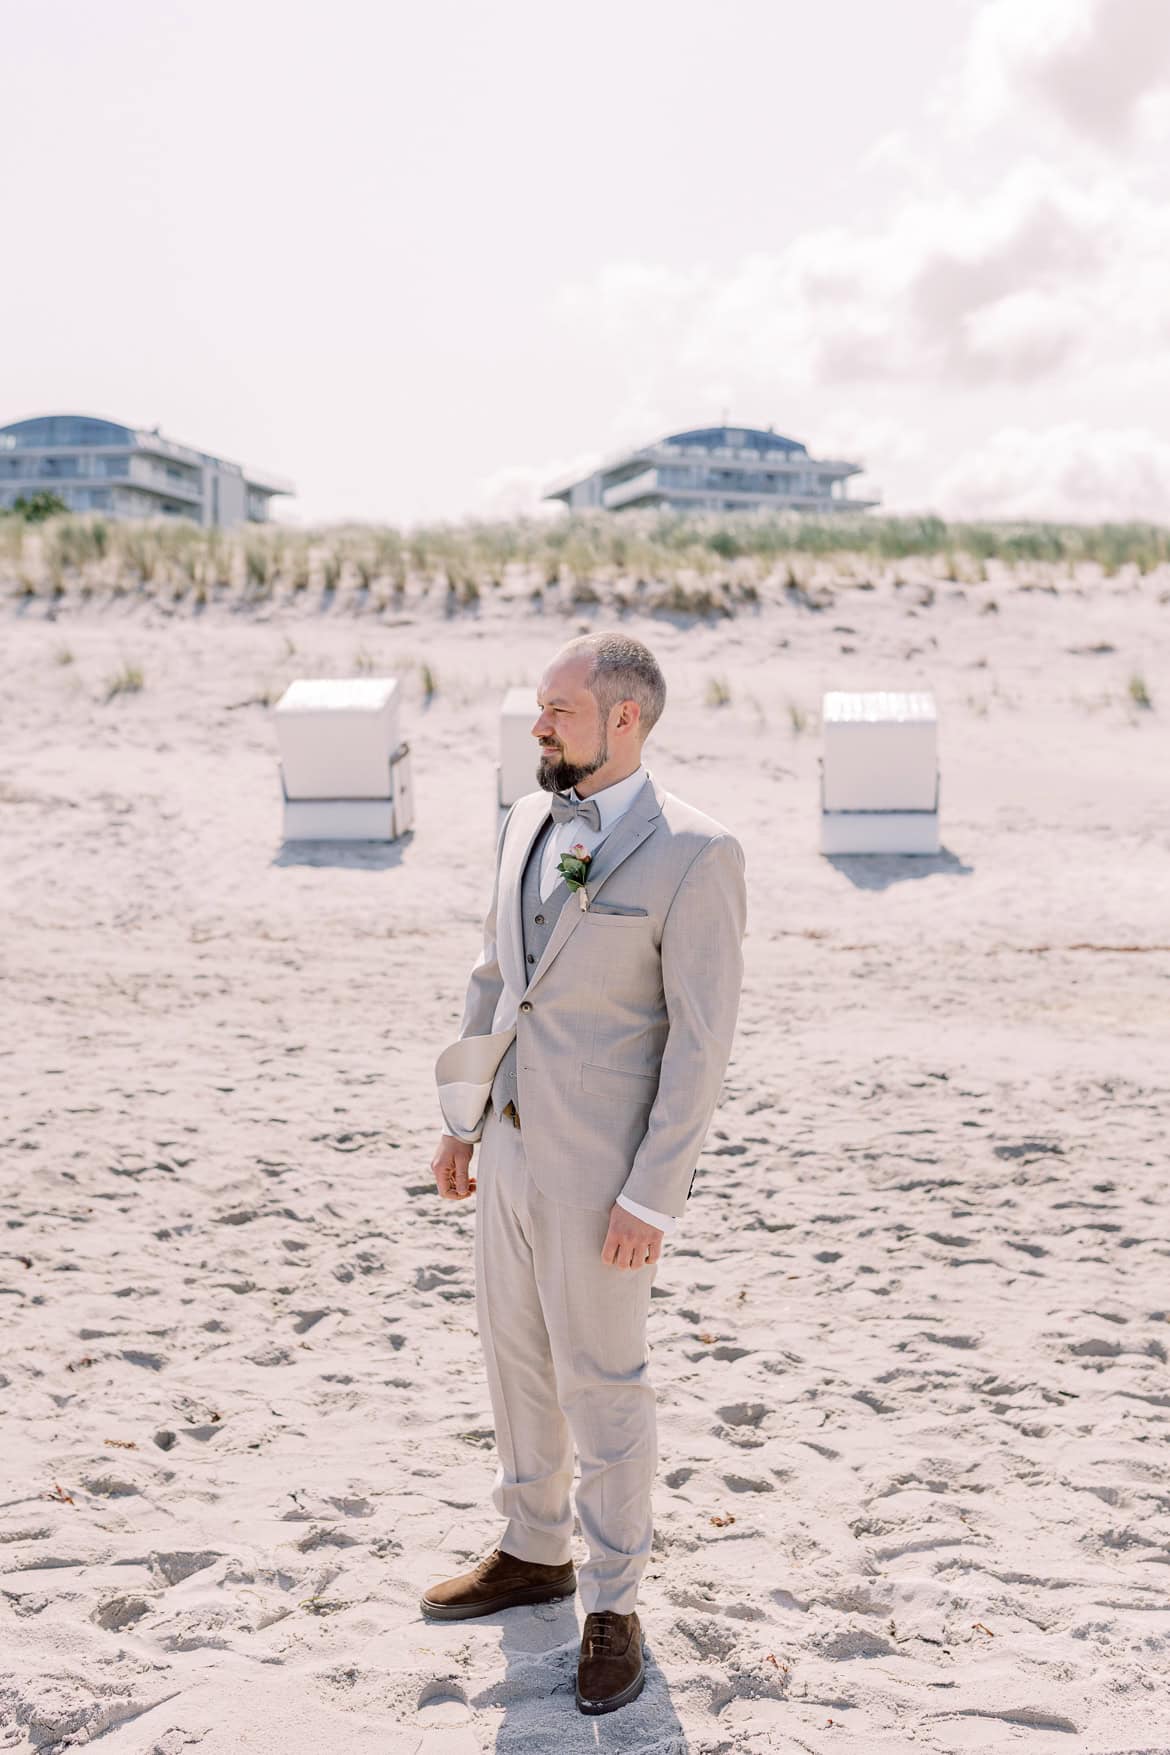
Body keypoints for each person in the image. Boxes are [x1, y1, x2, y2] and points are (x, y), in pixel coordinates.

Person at [423, 630, 747, 1716]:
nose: (539, 726)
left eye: (559, 710)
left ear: (626, 720)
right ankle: (532, 1551)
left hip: (607, 1178)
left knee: (604, 1385)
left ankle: (612, 1604)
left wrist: (652, 1196)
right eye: (539, 709)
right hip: (508, 1150)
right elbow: (491, 975)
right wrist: (462, 1120)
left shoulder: (697, 854)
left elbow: (701, 1045)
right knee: (515, 1364)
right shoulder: (523, 819)